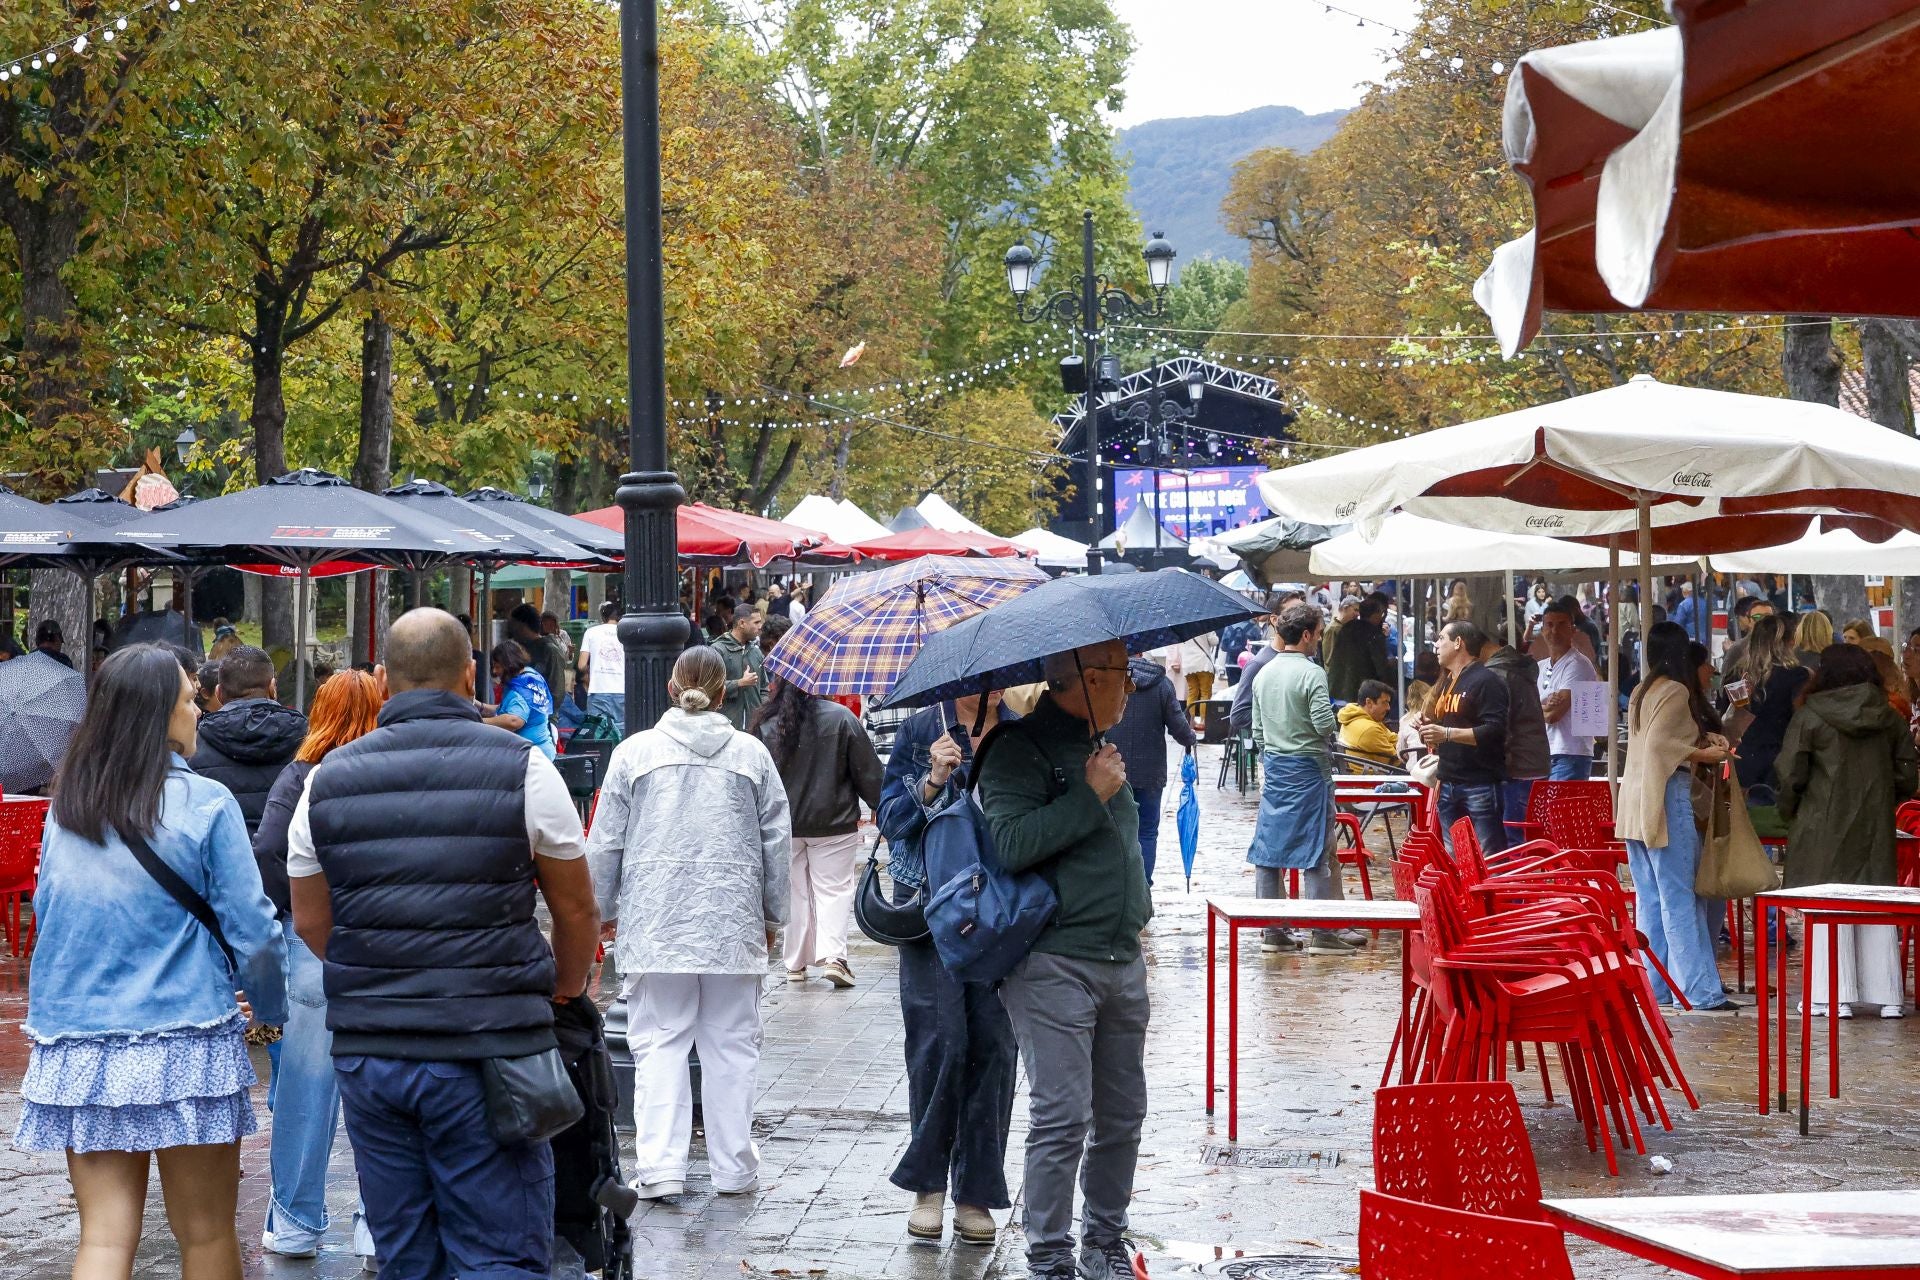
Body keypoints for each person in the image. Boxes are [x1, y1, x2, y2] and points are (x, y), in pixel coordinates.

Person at [286, 608, 600, 1278]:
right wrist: (566, 987)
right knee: (499, 1249)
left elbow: (311, 921)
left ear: (382, 680)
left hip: (373, 1052)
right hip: (489, 1050)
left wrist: (378, 971)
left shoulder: (325, 780)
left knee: (406, 1252)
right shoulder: (525, 768)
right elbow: (576, 908)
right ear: (469, 674)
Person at [16, 644, 287, 1276]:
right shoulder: (207, 804)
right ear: (159, 714)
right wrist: (271, 1016)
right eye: (191, 700)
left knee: (104, 1240)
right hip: (186, 1038)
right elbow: (255, 933)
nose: (197, 711)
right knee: (207, 1236)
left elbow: (52, 920)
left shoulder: (67, 808)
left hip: (80, 1047)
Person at [588, 646, 789, 1199]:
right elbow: (776, 841)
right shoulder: (750, 755)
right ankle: (734, 1167)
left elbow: (605, 843)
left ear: (672, 690)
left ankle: (660, 1169)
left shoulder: (634, 753)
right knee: (732, 1047)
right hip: (731, 918)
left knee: (659, 1044)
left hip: (657, 920)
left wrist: (600, 913)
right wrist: (775, 915)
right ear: (724, 693)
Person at [977, 641, 1148, 1280]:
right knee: (1063, 1114)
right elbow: (1011, 844)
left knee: (1123, 1112)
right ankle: (1050, 1256)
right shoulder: (1017, 749)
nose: (1131, 687)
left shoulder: (1098, 743)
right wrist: (1089, 795)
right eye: (1124, 676)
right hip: (1053, 959)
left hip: (1120, 956)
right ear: (1087, 678)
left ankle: (1104, 1241)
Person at [875, 693, 1018, 1245]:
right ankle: (928, 1185)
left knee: (995, 1047)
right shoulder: (920, 730)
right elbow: (891, 821)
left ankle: (977, 1192)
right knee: (939, 1043)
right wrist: (932, 779)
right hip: (930, 909)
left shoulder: (1016, 734)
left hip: (999, 914)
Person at [253, 669, 385, 1263]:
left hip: (310, 941)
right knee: (380, 1084)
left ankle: (297, 1221)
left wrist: (289, 907)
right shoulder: (386, 767)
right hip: (380, 939)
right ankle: (376, 1223)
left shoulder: (301, 773)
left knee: (306, 1087)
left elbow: (267, 848)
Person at [1777, 644, 1920, 1018]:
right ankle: (1888, 995)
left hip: (1821, 824)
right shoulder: (1889, 717)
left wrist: (1789, 810)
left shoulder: (1810, 716)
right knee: (1875, 903)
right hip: (1875, 824)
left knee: (1826, 906)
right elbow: (1907, 772)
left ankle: (1829, 994)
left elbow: (1790, 773)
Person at [1615, 621, 1738, 1014]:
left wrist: (1701, 741)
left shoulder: (1641, 690)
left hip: (1635, 804)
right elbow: (1661, 745)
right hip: (1666, 799)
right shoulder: (1677, 690)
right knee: (1681, 899)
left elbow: (1658, 739)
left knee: (1651, 901)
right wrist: (1704, 754)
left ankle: (1658, 986)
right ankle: (1700, 991)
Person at [753, 677, 882, 987]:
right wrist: (880, 804)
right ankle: (834, 957)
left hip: (784, 824)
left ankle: (795, 962)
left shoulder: (765, 724)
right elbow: (867, 771)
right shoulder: (841, 718)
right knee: (833, 889)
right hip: (833, 822)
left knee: (795, 892)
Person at [1248, 603, 1358, 955]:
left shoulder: (1263, 672)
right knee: (1318, 851)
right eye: (1320, 633)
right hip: (1310, 770)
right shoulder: (1312, 674)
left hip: (1277, 770)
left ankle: (1273, 932)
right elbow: (1324, 725)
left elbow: (1258, 731)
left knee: (1269, 849)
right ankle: (1323, 934)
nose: (1320, 640)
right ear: (1307, 634)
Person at [189, 644, 310, 835]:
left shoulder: (195, 746)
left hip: (223, 859)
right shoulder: (307, 741)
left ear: (219, 692)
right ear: (272, 687)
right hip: (288, 858)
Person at [1416, 620, 1509, 856]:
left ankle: (1487, 895)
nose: (1436, 645)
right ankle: (1462, 895)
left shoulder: (1486, 680)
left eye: (1441, 639)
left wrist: (1446, 733)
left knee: (1489, 860)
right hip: (1448, 781)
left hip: (1480, 784)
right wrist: (1430, 729)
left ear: (1458, 643)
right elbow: (1453, 727)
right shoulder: (1449, 681)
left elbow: (1495, 730)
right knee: (1456, 859)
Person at [1106, 654, 1198, 886]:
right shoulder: (1162, 684)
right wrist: (1191, 737)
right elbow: (1180, 729)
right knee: (1147, 832)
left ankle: (1117, 887)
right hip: (1150, 773)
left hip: (1112, 770)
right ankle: (1143, 887)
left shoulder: (1110, 681)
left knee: (1113, 831)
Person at [1481, 630, 1549, 840]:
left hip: (1518, 766)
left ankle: (1517, 873)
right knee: (1517, 834)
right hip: (1527, 763)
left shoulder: (1500, 674)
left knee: (1515, 837)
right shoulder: (1516, 670)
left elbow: (1502, 727)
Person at [1537, 601, 1601, 781]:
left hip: (1571, 753)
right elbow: (1522, 708)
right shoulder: (1540, 667)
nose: (1554, 631)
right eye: (1549, 625)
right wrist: (1542, 706)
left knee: (1558, 808)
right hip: (1545, 752)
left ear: (1573, 630)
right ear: (1542, 630)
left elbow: (1553, 714)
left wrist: (1535, 707)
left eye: (1561, 625)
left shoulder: (1579, 664)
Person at [484, 639, 558, 759]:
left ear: (508, 664)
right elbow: (507, 709)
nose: (494, 671)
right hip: (542, 752)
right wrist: (480, 706)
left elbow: (514, 720)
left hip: (531, 757)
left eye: (498, 667)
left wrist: (479, 722)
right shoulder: (530, 677)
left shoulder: (519, 688)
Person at [1327, 592, 1396, 705]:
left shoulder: (1347, 627)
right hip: (1360, 690)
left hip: (1338, 688)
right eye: (1381, 613)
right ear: (1375, 614)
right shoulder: (1373, 634)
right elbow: (1380, 666)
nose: (1382, 617)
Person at [712, 608, 767, 730]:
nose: (760, 626)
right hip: (725, 728)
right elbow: (709, 688)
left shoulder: (756, 652)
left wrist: (761, 712)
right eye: (756, 622)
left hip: (754, 728)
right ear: (742, 623)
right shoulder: (717, 650)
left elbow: (764, 688)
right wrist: (739, 683)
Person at [576, 601, 627, 728]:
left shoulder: (591, 632)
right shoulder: (625, 633)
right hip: (621, 690)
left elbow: (581, 665)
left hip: (597, 690)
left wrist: (593, 669)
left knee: (598, 733)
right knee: (621, 731)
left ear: (603, 617)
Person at [509, 602, 568, 707]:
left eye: (514, 626)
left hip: (543, 717)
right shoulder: (517, 648)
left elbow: (557, 694)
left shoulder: (550, 651)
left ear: (523, 626)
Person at [1337, 679, 1398, 766]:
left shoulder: (1353, 717)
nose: (1388, 708)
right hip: (1375, 776)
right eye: (1385, 702)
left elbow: (1392, 738)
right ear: (1369, 702)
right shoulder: (1370, 729)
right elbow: (1396, 759)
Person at [1169, 630, 1219, 717]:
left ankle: (1191, 721)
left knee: (1192, 692)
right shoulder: (1204, 625)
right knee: (1205, 694)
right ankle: (1203, 721)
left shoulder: (1183, 628)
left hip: (1188, 665)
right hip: (1203, 664)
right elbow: (1214, 641)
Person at [1320, 596, 1360, 666]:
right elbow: (1329, 659)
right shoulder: (1332, 629)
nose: (1358, 614)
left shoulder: (1349, 627)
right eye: (1355, 610)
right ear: (1345, 608)